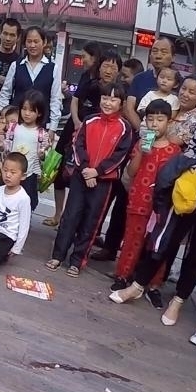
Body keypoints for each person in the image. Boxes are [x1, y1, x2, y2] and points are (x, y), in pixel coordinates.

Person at [46, 82, 132, 277]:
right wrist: (86, 169)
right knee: (70, 216)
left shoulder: (124, 128)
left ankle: (77, 260)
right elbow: (78, 144)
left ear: (121, 103)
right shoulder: (90, 120)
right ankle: (58, 255)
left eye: (113, 99)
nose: (108, 103)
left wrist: (97, 172)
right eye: (105, 98)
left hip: (103, 181)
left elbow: (120, 156)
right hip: (81, 175)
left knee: (91, 221)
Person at [110, 100, 181, 305]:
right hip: (139, 200)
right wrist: (141, 152)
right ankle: (123, 276)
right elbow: (131, 172)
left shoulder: (174, 150)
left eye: (160, 120)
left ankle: (153, 284)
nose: (154, 124)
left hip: (160, 208)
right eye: (150, 120)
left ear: (169, 122)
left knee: (157, 246)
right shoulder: (141, 144)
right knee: (132, 240)